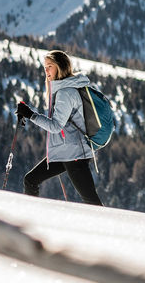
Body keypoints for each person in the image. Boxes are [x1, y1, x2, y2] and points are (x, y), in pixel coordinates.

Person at [17, 49, 103, 206]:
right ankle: (31, 214)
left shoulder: (65, 92)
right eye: (45, 67)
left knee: (91, 201)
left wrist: (31, 115)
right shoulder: (63, 90)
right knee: (30, 180)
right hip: (66, 152)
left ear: (60, 67)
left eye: (50, 66)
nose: (46, 70)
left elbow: (56, 126)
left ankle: (111, 228)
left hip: (75, 155)